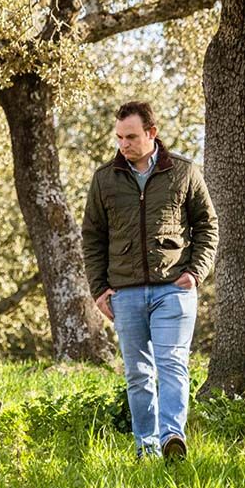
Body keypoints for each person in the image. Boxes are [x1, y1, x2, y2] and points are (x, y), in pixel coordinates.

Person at [81, 101, 218, 459]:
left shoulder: (184, 173)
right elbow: (92, 237)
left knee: (172, 364)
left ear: (152, 134)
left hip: (174, 288)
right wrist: (98, 290)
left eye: (131, 137)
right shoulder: (104, 179)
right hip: (124, 293)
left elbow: (208, 225)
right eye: (119, 137)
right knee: (139, 373)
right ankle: (147, 446)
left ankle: (173, 437)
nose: (123, 144)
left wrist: (195, 272)